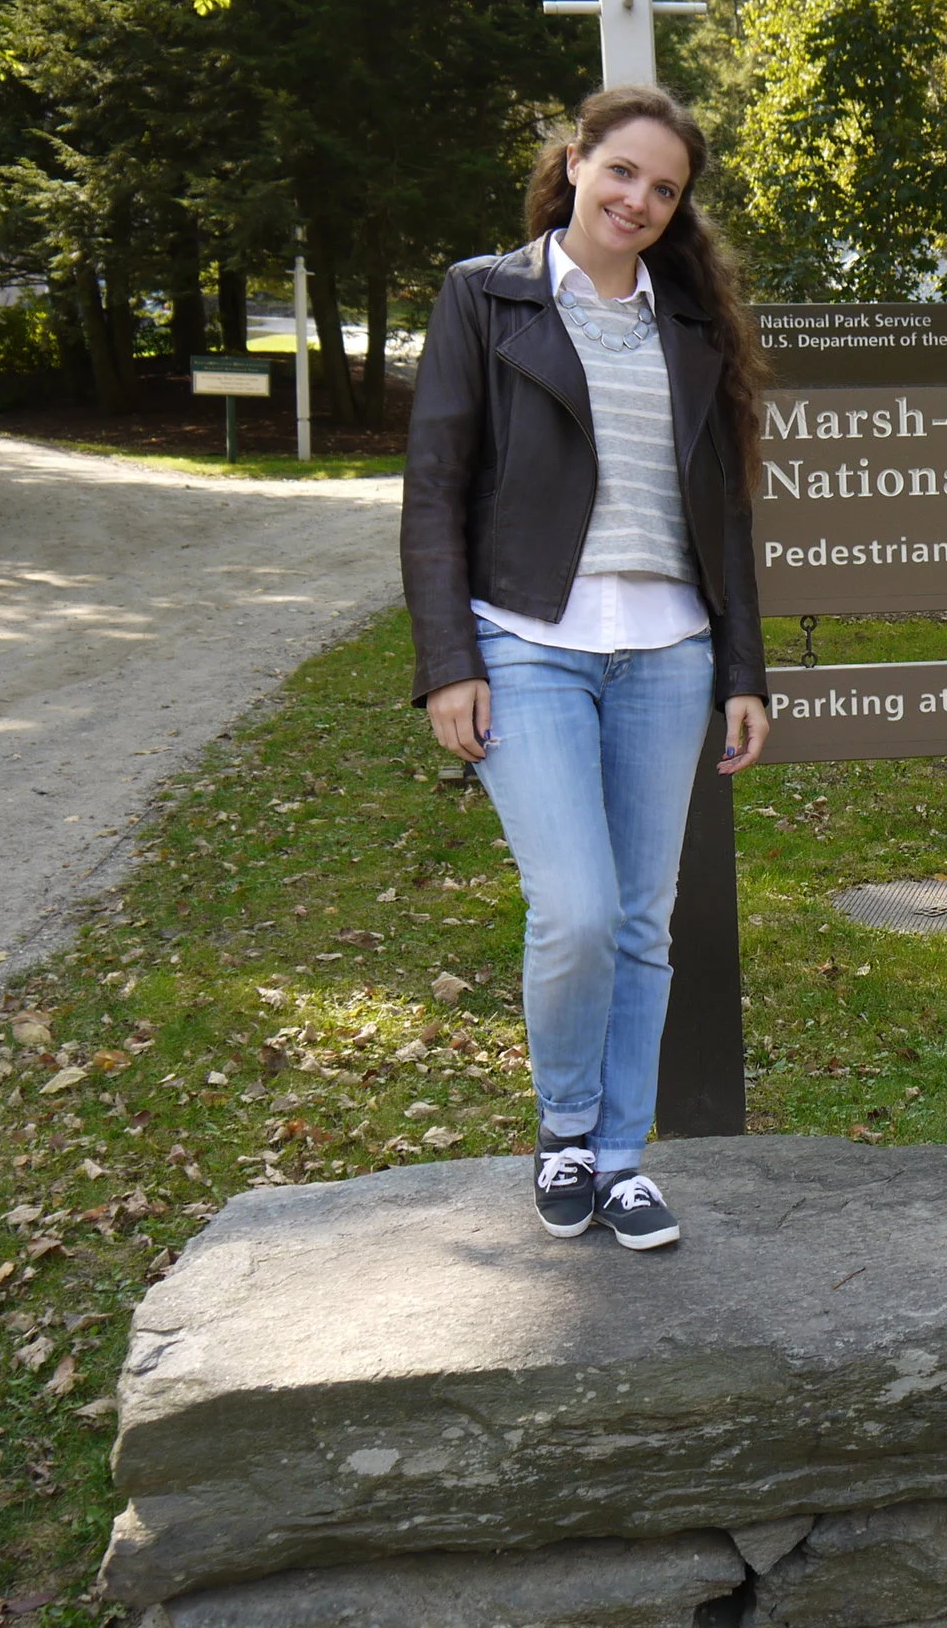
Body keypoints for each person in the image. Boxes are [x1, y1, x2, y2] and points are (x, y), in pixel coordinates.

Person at [401, 85, 770, 1251]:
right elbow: (434, 491)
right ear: (575, 164)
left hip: (669, 651)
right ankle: (566, 1130)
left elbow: (725, 512)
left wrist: (742, 670)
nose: (640, 201)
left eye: (665, 189)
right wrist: (448, 660)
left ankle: (621, 1158)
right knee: (573, 911)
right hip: (527, 643)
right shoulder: (486, 296)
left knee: (641, 920)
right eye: (622, 173)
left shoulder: (693, 325)